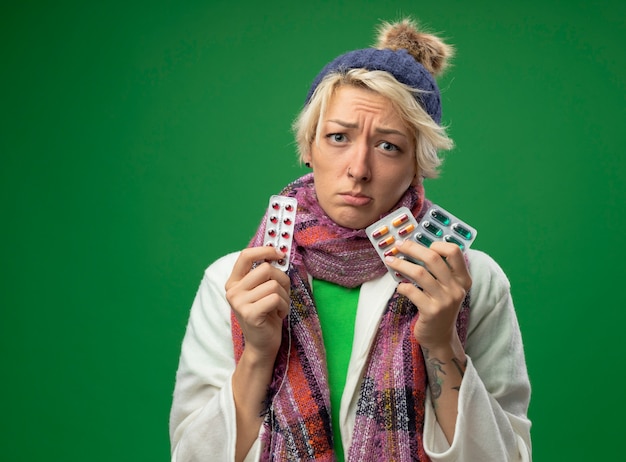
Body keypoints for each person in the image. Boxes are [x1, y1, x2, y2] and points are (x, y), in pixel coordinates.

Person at [169, 18, 532, 462]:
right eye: (338, 137)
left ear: (417, 164)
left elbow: (507, 457)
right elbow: (191, 455)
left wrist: (442, 342)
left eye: (388, 146)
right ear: (309, 146)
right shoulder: (235, 281)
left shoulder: (471, 281)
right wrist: (258, 355)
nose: (358, 168)